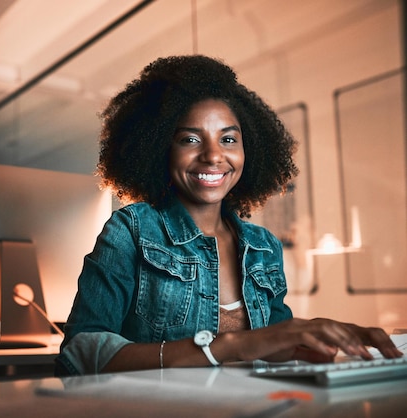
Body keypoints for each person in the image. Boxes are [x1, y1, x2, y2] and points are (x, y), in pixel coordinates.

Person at [55, 55, 402, 376]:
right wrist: (229, 345)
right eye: (191, 139)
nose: (213, 155)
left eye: (229, 139)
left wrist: (328, 338)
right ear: (161, 147)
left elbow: (272, 346)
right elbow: (80, 351)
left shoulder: (264, 247)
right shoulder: (131, 231)